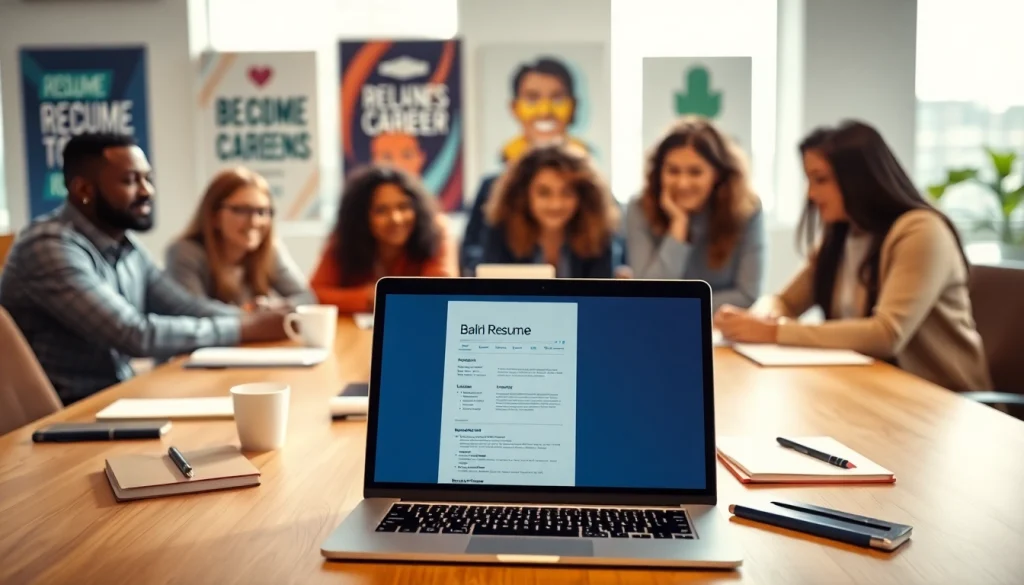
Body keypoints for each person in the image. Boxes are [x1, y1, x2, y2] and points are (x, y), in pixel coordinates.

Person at [0, 133, 288, 405]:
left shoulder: (127, 246)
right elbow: (134, 334)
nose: (147, 191)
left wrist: (250, 317)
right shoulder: (48, 245)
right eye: (130, 180)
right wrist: (244, 327)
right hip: (64, 412)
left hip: (115, 398)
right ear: (84, 190)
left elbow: (182, 306)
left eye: (147, 179)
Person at [714, 120, 991, 392]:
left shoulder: (922, 231)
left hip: (943, 399)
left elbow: (887, 334)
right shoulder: (842, 233)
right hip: (870, 387)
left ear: (859, 179)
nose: (812, 194)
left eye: (821, 179)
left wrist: (773, 331)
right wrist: (760, 317)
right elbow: (786, 301)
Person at [460, 57, 592, 275]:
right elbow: (476, 257)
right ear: (514, 107)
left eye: (557, 98)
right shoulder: (494, 193)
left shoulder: (591, 192)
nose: (545, 110)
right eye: (532, 98)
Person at [625, 117, 764, 309]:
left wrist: (685, 310)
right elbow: (648, 294)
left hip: (717, 324)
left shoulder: (747, 209)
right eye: (673, 171)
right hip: (660, 321)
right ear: (659, 172)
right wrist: (678, 226)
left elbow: (747, 294)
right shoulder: (639, 207)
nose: (683, 184)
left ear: (717, 174)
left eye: (695, 172)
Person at [310, 165, 456, 313]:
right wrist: (367, 297)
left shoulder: (436, 231)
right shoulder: (344, 239)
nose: (395, 219)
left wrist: (382, 297)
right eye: (381, 210)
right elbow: (314, 294)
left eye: (403, 206)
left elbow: (441, 292)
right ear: (361, 217)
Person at [166, 167, 316, 310]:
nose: (254, 222)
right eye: (242, 210)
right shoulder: (185, 253)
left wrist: (273, 307)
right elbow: (193, 311)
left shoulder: (270, 251)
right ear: (213, 216)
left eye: (262, 211)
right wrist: (251, 315)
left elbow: (306, 298)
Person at [481, 143, 617, 278]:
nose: (556, 204)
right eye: (544, 193)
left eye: (567, 193)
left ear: (583, 196)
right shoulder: (503, 232)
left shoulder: (598, 235)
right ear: (523, 195)